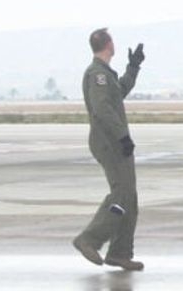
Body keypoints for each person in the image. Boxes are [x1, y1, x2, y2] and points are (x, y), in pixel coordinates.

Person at [72, 28, 146, 271]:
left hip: (115, 140)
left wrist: (133, 67)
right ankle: (90, 239)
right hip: (109, 141)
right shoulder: (97, 75)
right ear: (108, 44)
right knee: (121, 193)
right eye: (113, 40)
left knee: (129, 197)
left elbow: (118, 93)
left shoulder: (106, 74)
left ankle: (120, 253)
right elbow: (102, 109)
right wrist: (122, 136)